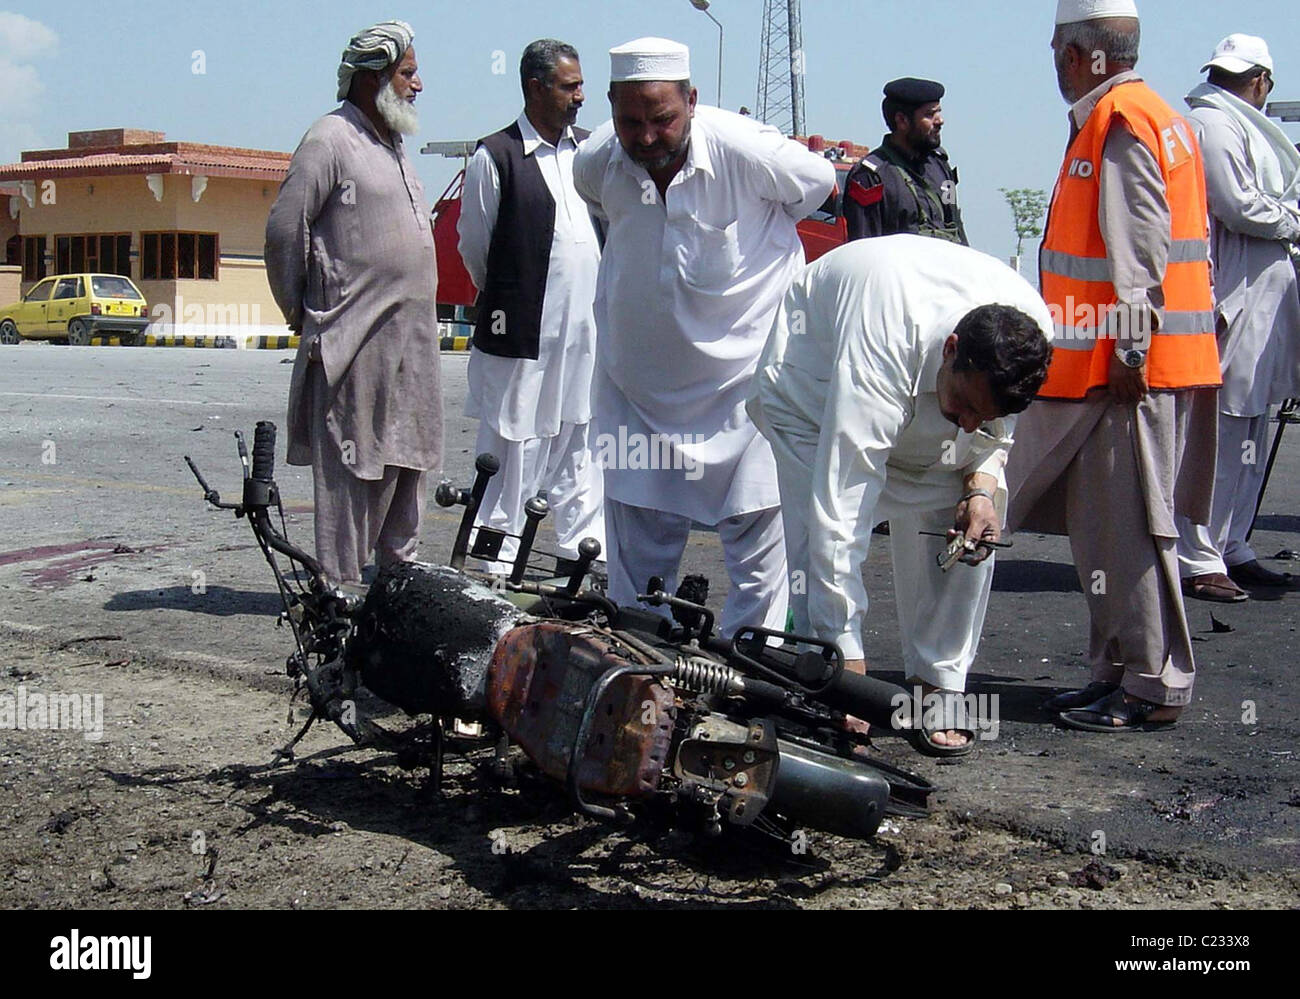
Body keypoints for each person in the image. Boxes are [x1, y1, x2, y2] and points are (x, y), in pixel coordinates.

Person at [1005, 0, 1221, 733]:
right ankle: (1118, 671)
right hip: (1115, 371)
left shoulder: (1122, 122)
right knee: (1107, 533)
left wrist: (1130, 348)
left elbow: (1141, 253)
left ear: (1074, 53)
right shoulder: (1149, 115)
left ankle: (1154, 683)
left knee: (1131, 533)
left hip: (1125, 373)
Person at [749, 235, 1054, 753]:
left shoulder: (1033, 333)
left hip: (909, 369)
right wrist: (851, 668)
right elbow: (841, 511)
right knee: (817, 529)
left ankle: (939, 686)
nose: (971, 423)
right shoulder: (882, 340)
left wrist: (979, 486)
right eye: (964, 404)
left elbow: (990, 435)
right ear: (952, 349)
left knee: (971, 527)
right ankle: (827, 681)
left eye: (987, 413)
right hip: (813, 394)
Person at [573, 37, 835, 636]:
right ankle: (641, 680)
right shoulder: (597, 161)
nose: (645, 138)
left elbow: (816, 183)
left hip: (746, 392)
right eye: (629, 121)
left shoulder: (746, 152)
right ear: (611, 109)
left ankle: (749, 684)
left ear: (691, 101)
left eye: (661, 119)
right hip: (640, 396)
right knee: (638, 550)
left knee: (756, 542)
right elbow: (602, 206)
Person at [265, 20, 442, 585]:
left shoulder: (391, 144)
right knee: (353, 475)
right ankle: (337, 596)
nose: (419, 85)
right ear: (373, 77)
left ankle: (396, 590)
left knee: (406, 463)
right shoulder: (330, 139)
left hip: (411, 346)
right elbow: (283, 230)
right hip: (354, 343)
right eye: (408, 73)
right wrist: (305, 313)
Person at [457, 39, 605, 572]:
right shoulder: (494, 156)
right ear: (536, 88)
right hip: (520, 337)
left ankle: (576, 564)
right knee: (513, 447)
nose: (581, 97)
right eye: (570, 86)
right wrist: (515, 298)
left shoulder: (589, 154)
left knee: (581, 444)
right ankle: (498, 570)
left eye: (581, 85)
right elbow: (476, 248)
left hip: (585, 337)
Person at [1176, 34, 1300, 602]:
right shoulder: (1216, 125)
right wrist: (1291, 221)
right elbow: (1236, 204)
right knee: (1224, 426)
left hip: (1264, 296)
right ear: (1261, 83)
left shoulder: (1241, 124)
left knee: (1253, 420)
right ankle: (1198, 553)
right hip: (1236, 292)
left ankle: (1232, 542)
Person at [842, 78, 968, 244]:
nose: (940, 121)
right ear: (902, 120)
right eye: (929, 115)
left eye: (939, 112)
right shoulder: (870, 176)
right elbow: (863, 247)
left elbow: (955, 225)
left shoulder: (940, 166)